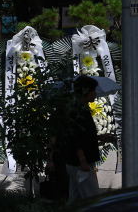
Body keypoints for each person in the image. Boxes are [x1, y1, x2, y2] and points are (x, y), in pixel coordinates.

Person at [48, 75, 113, 203]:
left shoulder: (82, 110)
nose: (95, 93)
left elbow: (83, 136)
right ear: (84, 92)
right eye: (93, 90)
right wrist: (82, 161)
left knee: (75, 200)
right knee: (93, 200)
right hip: (79, 163)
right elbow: (76, 139)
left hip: (77, 163)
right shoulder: (77, 112)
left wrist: (99, 137)